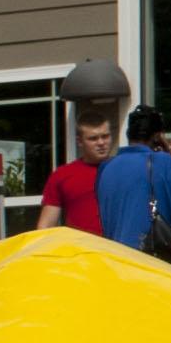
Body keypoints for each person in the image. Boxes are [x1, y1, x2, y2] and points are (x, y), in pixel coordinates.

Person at [35, 58, 127, 232]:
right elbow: (45, 226)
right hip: (81, 253)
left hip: (118, 250)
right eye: (93, 138)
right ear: (80, 141)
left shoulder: (122, 169)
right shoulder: (63, 175)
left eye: (105, 136)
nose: (101, 142)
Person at [99, 106, 171, 254]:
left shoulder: (106, 167)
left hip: (117, 258)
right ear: (157, 137)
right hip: (151, 259)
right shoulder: (162, 162)